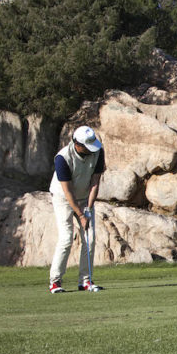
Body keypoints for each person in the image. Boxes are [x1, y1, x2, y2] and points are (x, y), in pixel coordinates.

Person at [49, 125, 105, 293]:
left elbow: (95, 183)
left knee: (90, 238)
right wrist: (80, 215)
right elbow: (67, 191)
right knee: (66, 238)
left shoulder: (98, 151)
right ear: (76, 143)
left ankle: (85, 281)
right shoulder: (62, 158)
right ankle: (55, 281)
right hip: (63, 198)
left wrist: (87, 209)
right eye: (86, 147)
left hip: (84, 198)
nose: (90, 150)